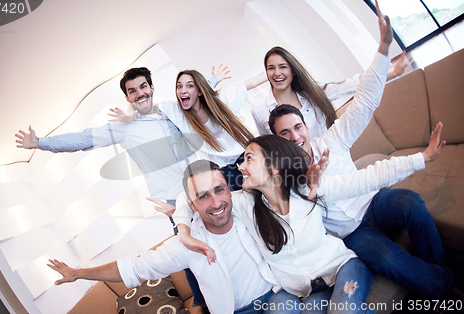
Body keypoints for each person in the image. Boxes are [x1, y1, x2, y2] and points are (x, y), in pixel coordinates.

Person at [264, 3, 456, 300]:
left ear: (306, 126)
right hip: (353, 233)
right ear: (277, 141)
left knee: (411, 203)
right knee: (386, 258)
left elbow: (364, 102)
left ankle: (438, 271)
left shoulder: (331, 140)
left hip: (373, 202)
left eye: (298, 127)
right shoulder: (288, 183)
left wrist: (383, 48)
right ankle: (444, 288)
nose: (295, 136)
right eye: (284, 133)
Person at [175, 131, 443, 313]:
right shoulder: (243, 204)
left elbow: (366, 179)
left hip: (342, 268)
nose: (240, 167)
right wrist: (184, 233)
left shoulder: (307, 189)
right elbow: (189, 197)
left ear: (274, 167)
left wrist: (422, 158)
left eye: (248, 158)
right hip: (306, 293)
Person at [47, 160, 302, 314]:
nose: (216, 203)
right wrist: (80, 273)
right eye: (203, 196)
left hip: (277, 294)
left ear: (229, 188)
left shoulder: (248, 203)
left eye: (219, 190)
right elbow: (133, 268)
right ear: (192, 205)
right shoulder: (185, 245)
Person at [15, 67, 226, 229]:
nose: (139, 94)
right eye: (132, 91)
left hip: (203, 188)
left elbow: (193, 97)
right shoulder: (124, 127)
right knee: (192, 252)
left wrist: (213, 79)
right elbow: (83, 139)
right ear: (127, 97)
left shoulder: (170, 111)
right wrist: (40, 143)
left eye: (143, 87)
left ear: (152, 88)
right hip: (174, 199)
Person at [251, 7, 409, 139]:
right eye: (271, 68)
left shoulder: (313, 92)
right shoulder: (259, 110)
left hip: (331, 158)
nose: (277, 73)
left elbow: (352, 84)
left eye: (283, 67)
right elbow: (271, 147)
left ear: (293, 70)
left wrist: (390, 72)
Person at [113, 68, 268, 190]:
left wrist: (280, 71)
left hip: (247, 156)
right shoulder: (176, 112)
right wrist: (130, 117)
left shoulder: (221, 99)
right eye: (178, 86)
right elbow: (146, 106)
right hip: (226, 172)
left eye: (188, 86)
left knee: (270, 189)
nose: (182, 90)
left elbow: (251, 82)